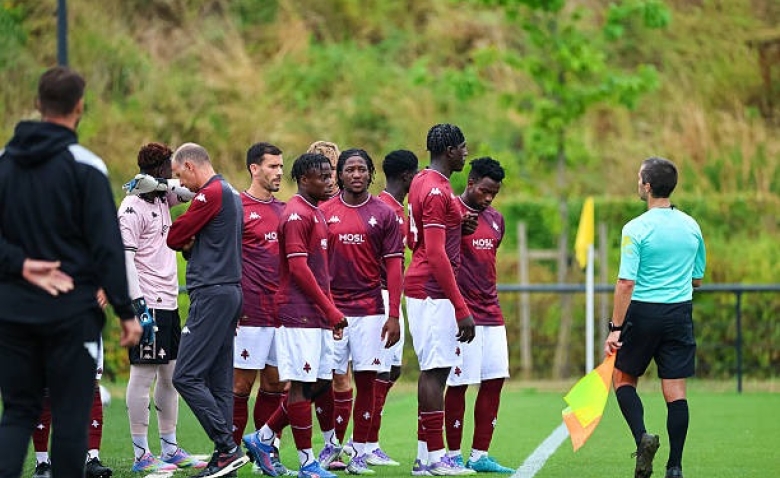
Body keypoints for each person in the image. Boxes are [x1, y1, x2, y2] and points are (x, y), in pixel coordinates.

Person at [0, 66, 141, 478]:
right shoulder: (85, 165)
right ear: (80, 107)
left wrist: (20, 265)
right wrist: (125, 310)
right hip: (71, 314)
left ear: (38, 105)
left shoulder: (4, 165)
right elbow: (106, 246)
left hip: (12, 314)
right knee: (70, 417)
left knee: (18, 413)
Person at [242, 153, 347, 478]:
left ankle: (262, 438)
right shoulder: (295, 215)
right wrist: (330, 310)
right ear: (304, 179)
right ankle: (307, 464)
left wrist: (330, 311)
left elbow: (321, 272)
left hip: (316, 316)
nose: (330, 181)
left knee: (321, 382)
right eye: (324, 176)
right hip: (298, 315)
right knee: (302, 385)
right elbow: (300, 269)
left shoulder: (315, 212)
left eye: (331, 175)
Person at [604, 157, 706, 478]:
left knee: (623, 380)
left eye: (639, 179)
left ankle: (642, 438)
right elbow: (697, 279)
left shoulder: (635, 228)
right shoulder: (691, 226)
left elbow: (626, 283)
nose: (637, 183)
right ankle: (674, 467)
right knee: (675, 392)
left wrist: (615, 328)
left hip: (643, 312)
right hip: (679, 313)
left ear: (647, 186)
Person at [119, 142, 206, 472]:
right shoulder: (131, 208)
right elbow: (124, 261)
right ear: (158, 169)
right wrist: (137, 305)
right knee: (142, 376)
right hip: (148, 301)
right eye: (169, 166)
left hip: (168, 301)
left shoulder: (160, 197)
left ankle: (169, 448)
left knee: (171, 376)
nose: (174, 171)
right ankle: (142, 455)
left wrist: (158, 185)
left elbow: (186, 191)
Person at [319, 149, 404, 475]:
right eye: (349, 169)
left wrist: (393, 314)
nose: (356, 174)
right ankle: (330, 445)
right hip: (332, 311)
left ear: (371, 174)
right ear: (339, 175)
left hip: (370, 309)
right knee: (323, 380)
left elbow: (394, 268)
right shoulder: (324, 211)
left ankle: (358, 450)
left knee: (368, 380)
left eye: (362, 169)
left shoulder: (384, 214)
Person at [166, 143, 248, 477]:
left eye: (178, 175)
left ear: (189, 165)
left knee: (184, 375)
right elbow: (196, 242)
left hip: (212, 294)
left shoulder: (210, 194)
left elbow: (175, 237)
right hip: (228, 291)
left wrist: (188, 238)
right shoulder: (230, 192)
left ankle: (227, 446)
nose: (180, 184)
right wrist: (192, 242)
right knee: (218, 381)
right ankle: (224, 457)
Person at [405, 123, 476, 476]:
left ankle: (425, 455)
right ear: (449, 151)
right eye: (463, 148)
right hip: (432, 291)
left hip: (426, 288)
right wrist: (461, 307)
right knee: (434, 372)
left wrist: (458, 222)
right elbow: (434, 253)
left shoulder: (423, 181)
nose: (466, 153)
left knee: (438, 370)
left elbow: (411, 238)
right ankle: (434, 458)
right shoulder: (435, 189)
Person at [443, 157, 513, 473]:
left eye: (493, 194)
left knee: (494, 380)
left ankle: (480, 454)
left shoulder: (497, 220)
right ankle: (453, 454)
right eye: (484, 191)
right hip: (462, 314)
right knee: (459, 383)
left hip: (492, 312)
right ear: (470, 183)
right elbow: (436, 255)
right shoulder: (450, 214)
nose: (488, 199)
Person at [231, 142, 290, 476]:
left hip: (280, 314)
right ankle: (229, 455)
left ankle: (266, 453)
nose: (278, 172)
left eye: (281, 166)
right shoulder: (237, 207)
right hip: (248, 312)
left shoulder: (285, 210)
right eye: (272, 166)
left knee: (274, 385)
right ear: (254, 168)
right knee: (240, 387)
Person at [368, 149, 419, 464]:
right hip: (377, 296)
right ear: (406, 177)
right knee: (378, 371)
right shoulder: (382, 209)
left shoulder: (400, 209)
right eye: (415, 175)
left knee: (392, 369)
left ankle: (368, 440)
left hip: (392, 295)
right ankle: (366, 443)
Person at [31, 338, 115, 478]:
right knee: (44, 387)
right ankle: (42, 462)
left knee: (92, 382)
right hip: (49, 323)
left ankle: (92, 459)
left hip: (84, 324)